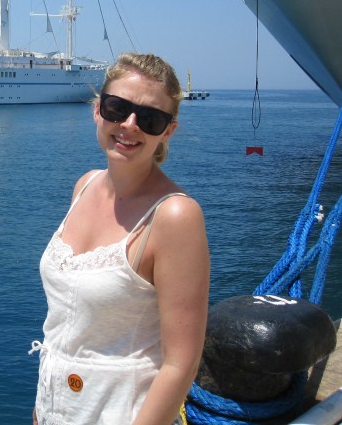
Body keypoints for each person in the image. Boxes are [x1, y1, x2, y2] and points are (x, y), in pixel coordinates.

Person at [30, 53, 210, 425]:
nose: (130, 125)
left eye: (150, 118)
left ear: (167, 131)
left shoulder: (174, 216)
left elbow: (181, 363)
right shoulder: (85, 185)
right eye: (117, 108)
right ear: (98, 110)